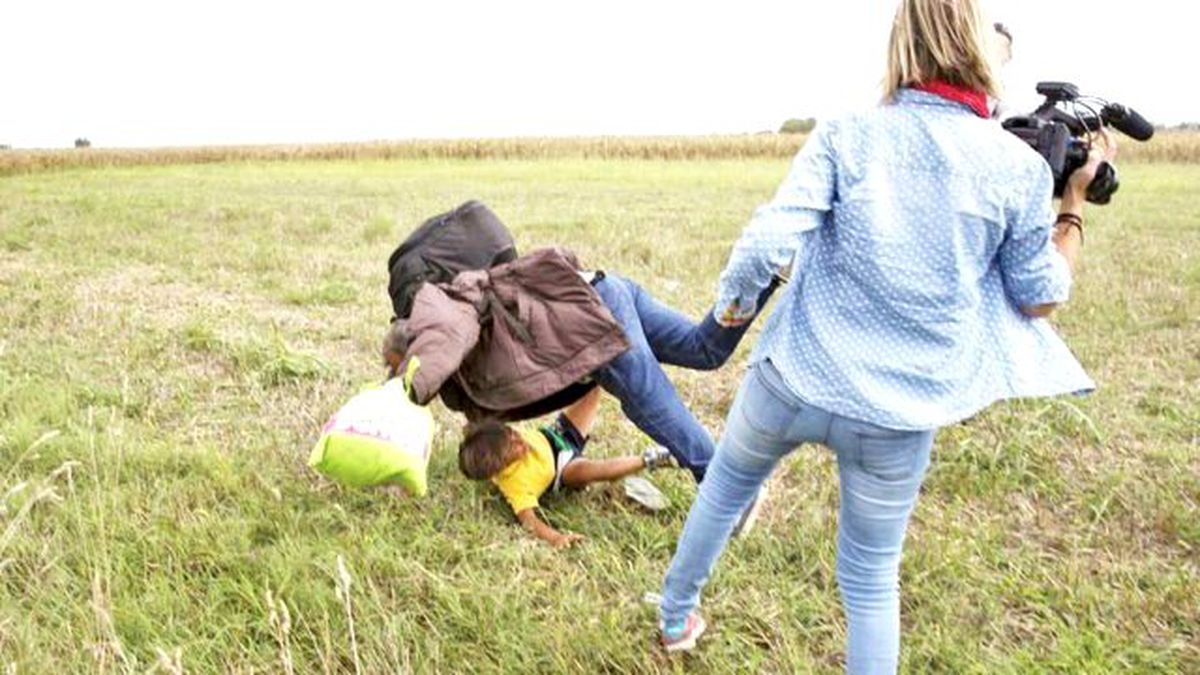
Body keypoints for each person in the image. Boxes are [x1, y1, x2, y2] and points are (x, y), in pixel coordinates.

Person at [655, 0, 1115, 670]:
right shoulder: (1018, 170)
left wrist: (730, 315)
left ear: (903, 45)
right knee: (871, 578)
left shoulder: (847, 134)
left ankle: (673, 620)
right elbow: (1042, 296)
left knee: (724, 488)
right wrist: (1070, 206)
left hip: (792, 376)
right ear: (980, 53)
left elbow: (764, 246)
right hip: (897, 415)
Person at [385, 249, 781, 485]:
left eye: (396, 365)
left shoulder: (439, 320)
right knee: (703, 350)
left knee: (645, 396)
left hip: (587, 321)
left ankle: (726, 486)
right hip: (601, 290)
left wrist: (402, 393)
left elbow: (443, 342)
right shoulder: (463, 379)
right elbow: (480, 423)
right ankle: (762, 274)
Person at [457, 387, 674, 548]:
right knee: (592, 471)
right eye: (512, 447)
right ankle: (650, 459)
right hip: (563, 469)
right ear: (501, 466)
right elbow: (529, 521)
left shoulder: (501, 438)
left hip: (558, 435)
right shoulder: (515, 484)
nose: (518, 439)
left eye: (511, 433)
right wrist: (556, 538)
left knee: (592, 388)